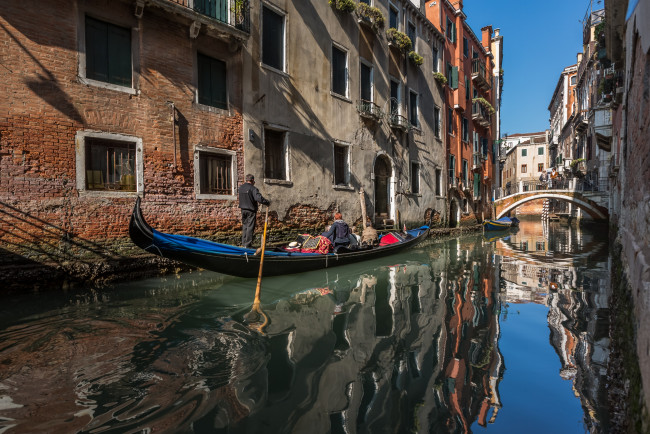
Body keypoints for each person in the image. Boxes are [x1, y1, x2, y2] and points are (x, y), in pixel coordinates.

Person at [238, 174, 270, 248]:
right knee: (250, 227)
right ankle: (248, 245)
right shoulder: (253, 188)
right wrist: (267, 202)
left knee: (245, 226)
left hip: (243, 210)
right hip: (250, 210)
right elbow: (259, 198)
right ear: (252, 180)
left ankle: (244, 244)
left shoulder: (241, 188)